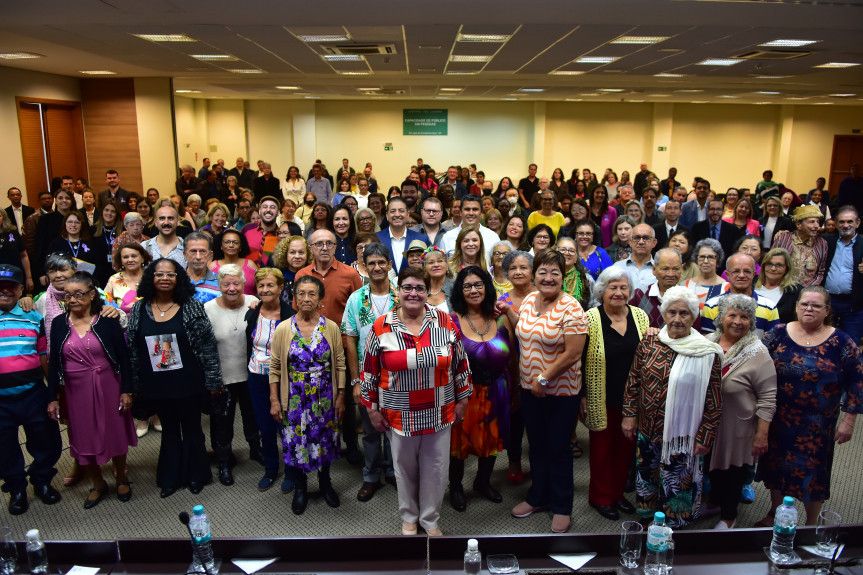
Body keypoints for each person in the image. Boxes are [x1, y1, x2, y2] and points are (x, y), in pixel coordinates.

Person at [362, 266, 472, 536]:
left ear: (427, 291)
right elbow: (369, 372)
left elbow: (460, 364)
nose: (413, 293)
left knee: (436, 469)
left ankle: (430, 519)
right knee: (404, 469)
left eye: (419, 288)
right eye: (407, 288)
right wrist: (372, 409)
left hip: (440, 410)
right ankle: (409, 516)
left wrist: (462, 400)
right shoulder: (381, 325)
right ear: (397, 291)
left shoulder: (444, 321)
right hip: (398, 414)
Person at [496, 250, 588, 533]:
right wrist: (507, 312)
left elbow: (573, 353)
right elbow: (524, 330)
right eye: (543, 272)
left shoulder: (571, 307)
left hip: (561, 392)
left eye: (555, 273)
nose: (548, 278)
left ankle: (561, 505)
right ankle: (538, 496)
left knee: (558, 448)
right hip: (529, 388)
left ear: (563, 277)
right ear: (535, 276)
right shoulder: (529, 301)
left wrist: (544, 378)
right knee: (536, 446)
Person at [756, 286, 863, 526]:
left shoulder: (842, 342)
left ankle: (811, 523)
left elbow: (857, 382)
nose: (809, 309)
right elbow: (758, 367)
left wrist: (849, 420)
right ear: (796, 307)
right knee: (777, 467)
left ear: (827, 310)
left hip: (818, 425)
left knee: (813, 474)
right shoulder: (778, 333)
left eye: (816, 305)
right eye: (804, 304)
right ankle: (775, 513)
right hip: (779, 418)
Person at [622, 286, 723, 528]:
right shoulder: (649, 339)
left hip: (683, 436)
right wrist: (628, 414)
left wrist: (705, 436)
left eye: (684, 313)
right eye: (672, 312)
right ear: (664, 314)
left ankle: (674, 524)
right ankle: (647, 517)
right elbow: (633, 379)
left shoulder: (707, 352)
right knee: (647, 474)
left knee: (677, 479)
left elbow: (715, 401)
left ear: (694, 317)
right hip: (648, 428)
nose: (677, 319)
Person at [126, 259, 224, 497]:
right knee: (169, 430)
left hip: (188, 381)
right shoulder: (139, 309)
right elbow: (132, 349)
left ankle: (196, 475)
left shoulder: (191, 306)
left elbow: (207, 347)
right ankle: (170, 478)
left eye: (170, 275)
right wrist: (134, 383)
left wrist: (213, 381)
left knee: (191, 428)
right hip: (156, 384)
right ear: (151, 278)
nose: (165, 278)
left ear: (179, 278)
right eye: (159, 274)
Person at [47, 271, 136, 508]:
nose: (73, 299)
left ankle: (121, 476)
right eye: (68, 295)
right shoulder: (58, 323)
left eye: (78, 294)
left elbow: (124, 358)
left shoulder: (107, 320)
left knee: (114, 430)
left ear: (91, 294)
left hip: (109, 383)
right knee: (83, 434)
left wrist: (126, 390)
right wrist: (52, 397)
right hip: (75, 390)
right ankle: (97, 483)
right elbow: (54, 361)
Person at [267, 275, 345, 514]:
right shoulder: (283, 328)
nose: (306, 298)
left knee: (325, 440)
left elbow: (339, 363)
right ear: (294, 298)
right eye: (301, 293)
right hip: (295, 399)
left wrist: (340, 395)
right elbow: (275, 366)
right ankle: (301, 488)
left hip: (324, 396)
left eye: (312, 294)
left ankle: (325, 484)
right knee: (296, 442)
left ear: (320, 299)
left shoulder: (330, 327)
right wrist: (274, 400)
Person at [583, 267, 650, 520]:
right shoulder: (590, 318)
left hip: (633, 397)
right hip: (601, 394)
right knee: (601, 450)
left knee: (625, 449)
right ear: (602, 291)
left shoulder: (640, 316)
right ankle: (600, 496)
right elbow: (579, 359)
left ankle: (617, 493)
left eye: (623, 288)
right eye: (613, 287)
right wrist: (583, 396)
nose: (619, 292)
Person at [704, 294, 776, 529]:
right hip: (708, 421)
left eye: (744, 316)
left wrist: (761, 434)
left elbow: (768, 396)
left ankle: (729, 516)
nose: (738, 321)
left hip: (739, 424)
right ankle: (714, 501)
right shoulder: (707, 342)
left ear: (751, 321)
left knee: (733, 472)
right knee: (709, 465)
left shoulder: (757, 351)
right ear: (721, 317)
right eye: (732, 315)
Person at [448, 267, 515, 512]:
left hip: (498, 388)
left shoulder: (500, 316)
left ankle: (482, 482)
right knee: (459, 445)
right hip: (465, 393)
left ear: (487, 287)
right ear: (459, 290)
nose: (474, 290)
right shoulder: (451, 320)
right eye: (467, 286)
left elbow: (515, 352)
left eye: (478, 284)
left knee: (492, 440)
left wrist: (515, 388)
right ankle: (455, 487)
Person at [0, 264, 63, 515]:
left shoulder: (33, 317)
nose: (5, 290)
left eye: (11, 286)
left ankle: (42, 481)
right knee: (4, 448)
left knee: (47, 442)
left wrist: (52, 394)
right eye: (0, 286)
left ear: (20, 289)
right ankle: (16, 489)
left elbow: (44, 358)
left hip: (33, 393)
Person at [341, 243, 398, 502]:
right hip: (368, 377)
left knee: (396, 429)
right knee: (371, 430)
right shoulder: (356, 299)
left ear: (389, 264)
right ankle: (371, 476)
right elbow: (349, 339)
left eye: (381, 262)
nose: (376, 267)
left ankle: (395, 472)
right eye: (371, 263)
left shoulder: (402, 296)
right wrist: (355, 380)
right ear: (364, 266)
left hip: (400, 377)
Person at [204, 264, 261, 486]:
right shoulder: (208, 308)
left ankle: (256, 450)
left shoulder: (254, 302)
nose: (231, 288)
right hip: (223, 376)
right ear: (219, 285)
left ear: (242, 284)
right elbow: (205, 347)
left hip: (251, 374)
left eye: (236, 283)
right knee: (222, 422)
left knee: (252, 416)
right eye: (226, 284)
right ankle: (224, 462)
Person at [244, 267, 294, 492]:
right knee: (265, 427)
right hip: (256, 377)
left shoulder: (290, 315)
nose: (265, 290)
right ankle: (272, 468)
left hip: (284, 380)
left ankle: (292, 471)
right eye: (261, 286)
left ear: (281, 287)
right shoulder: (252, 312)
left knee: (286, 426)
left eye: (270, 285)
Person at [822, 206, 863, 344]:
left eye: (850, 221)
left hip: (854, 305)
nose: (846, 225)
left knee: (851, 344)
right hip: (828, 301)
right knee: (823, 340)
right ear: (836, 223)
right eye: (842, 222)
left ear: (858, 223)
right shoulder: (827, 241)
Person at [771, 204, 827, 287]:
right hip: (780, 288)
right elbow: (771, 263)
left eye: (818, 222)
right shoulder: (783, 238)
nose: (816, 226)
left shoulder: (822, 243)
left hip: (806, 293)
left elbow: (820, 272)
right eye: (812, 222)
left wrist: (805, 291)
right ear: (798, 225)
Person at [630, 248, 684, 328]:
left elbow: (696, 335)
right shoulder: (638, 295)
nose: (671, 274)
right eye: (665, 269)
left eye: (676, 269)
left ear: (681, 269)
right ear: (654, 269)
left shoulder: (688, 298)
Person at [754, 248, 801, 324]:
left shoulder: (795, 291)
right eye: (769, 264)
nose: (773, 268)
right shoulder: (751, 282)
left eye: (779, 265)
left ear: (787, 268)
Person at [210, 228, 259, 296]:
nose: (231, 245)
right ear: (221, 246)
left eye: (235, 242)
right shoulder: (212, 267)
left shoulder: (250, 265)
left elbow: (261, 288)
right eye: (227, 242)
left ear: (241, 246)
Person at [612, 223, 658, 295]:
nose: (641, 242)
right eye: (637, 238)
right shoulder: (617, 267)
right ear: (630, 242)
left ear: (654, 243)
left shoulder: (660, 269)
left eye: (646, 238)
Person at [682, 239, 728, 308]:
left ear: (717, 261)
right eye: (702, 257)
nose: (706, 261)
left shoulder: (726, 288)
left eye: (710, 257)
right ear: (696, 260)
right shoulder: (685, 285)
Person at [272, 235, 310, 308]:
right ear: (285, 254)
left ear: (308, 255)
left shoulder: (313, 276)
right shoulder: (276, 276)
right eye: (292, 252)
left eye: (301, 252)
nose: (297, 256)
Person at [557, 236, 594, 311]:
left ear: (577, 256)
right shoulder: (548, 277)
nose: (567, 253)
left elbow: (593, 306)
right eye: (563, 250)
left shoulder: (587, 279)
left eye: (571, 250)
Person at [0, 209, 34, 291]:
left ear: (3, 218)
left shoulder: (13, 232)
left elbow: (24, 255)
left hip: (16, 277)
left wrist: (29, 278)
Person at [422, 246, 455, 313]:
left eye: (440, 261)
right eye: (431, 262)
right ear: (425, 268)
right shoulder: (421, 289)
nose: (436, 265)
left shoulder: (456, 287)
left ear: (447, 266)